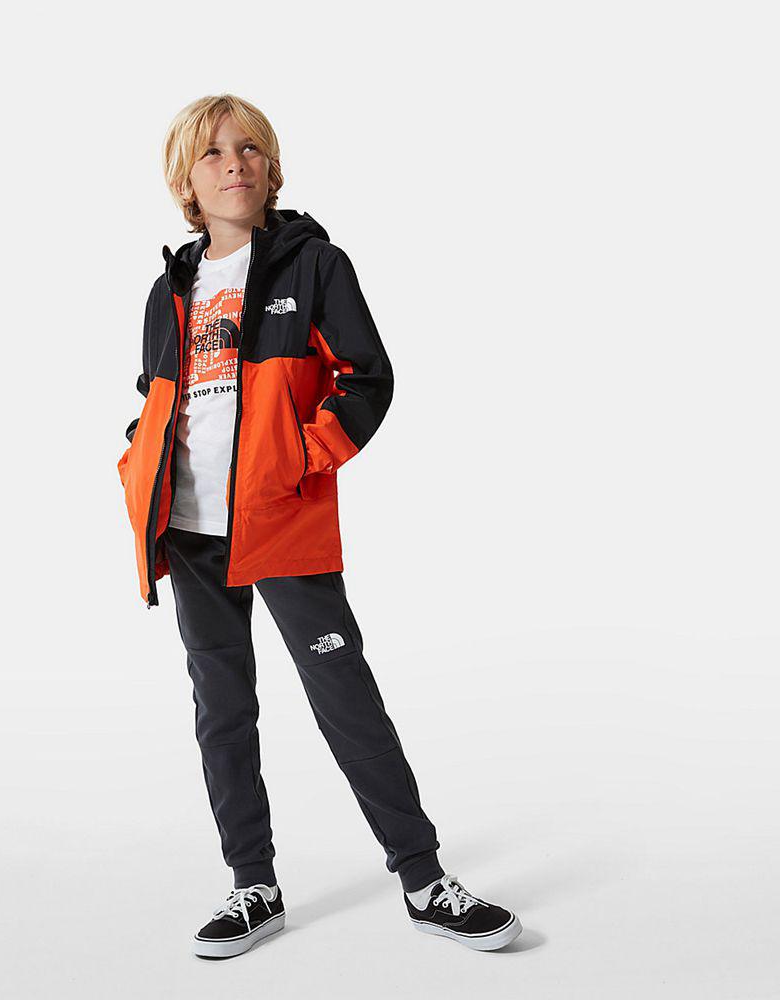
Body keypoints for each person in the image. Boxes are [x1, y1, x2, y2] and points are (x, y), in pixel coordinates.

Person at [117, 93, 522, 959]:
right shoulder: (169, 288)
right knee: (222, 709)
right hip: (189, 531)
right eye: (213, 153)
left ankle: (424, 880)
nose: (235, 163)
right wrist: (137, 465)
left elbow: (366, 378)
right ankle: (252, 885)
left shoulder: (314, 266)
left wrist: (299, 460)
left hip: (281, 521)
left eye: (250, 148)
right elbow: (154, 399)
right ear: (186, 182)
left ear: (272, 168)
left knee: (346, 698)